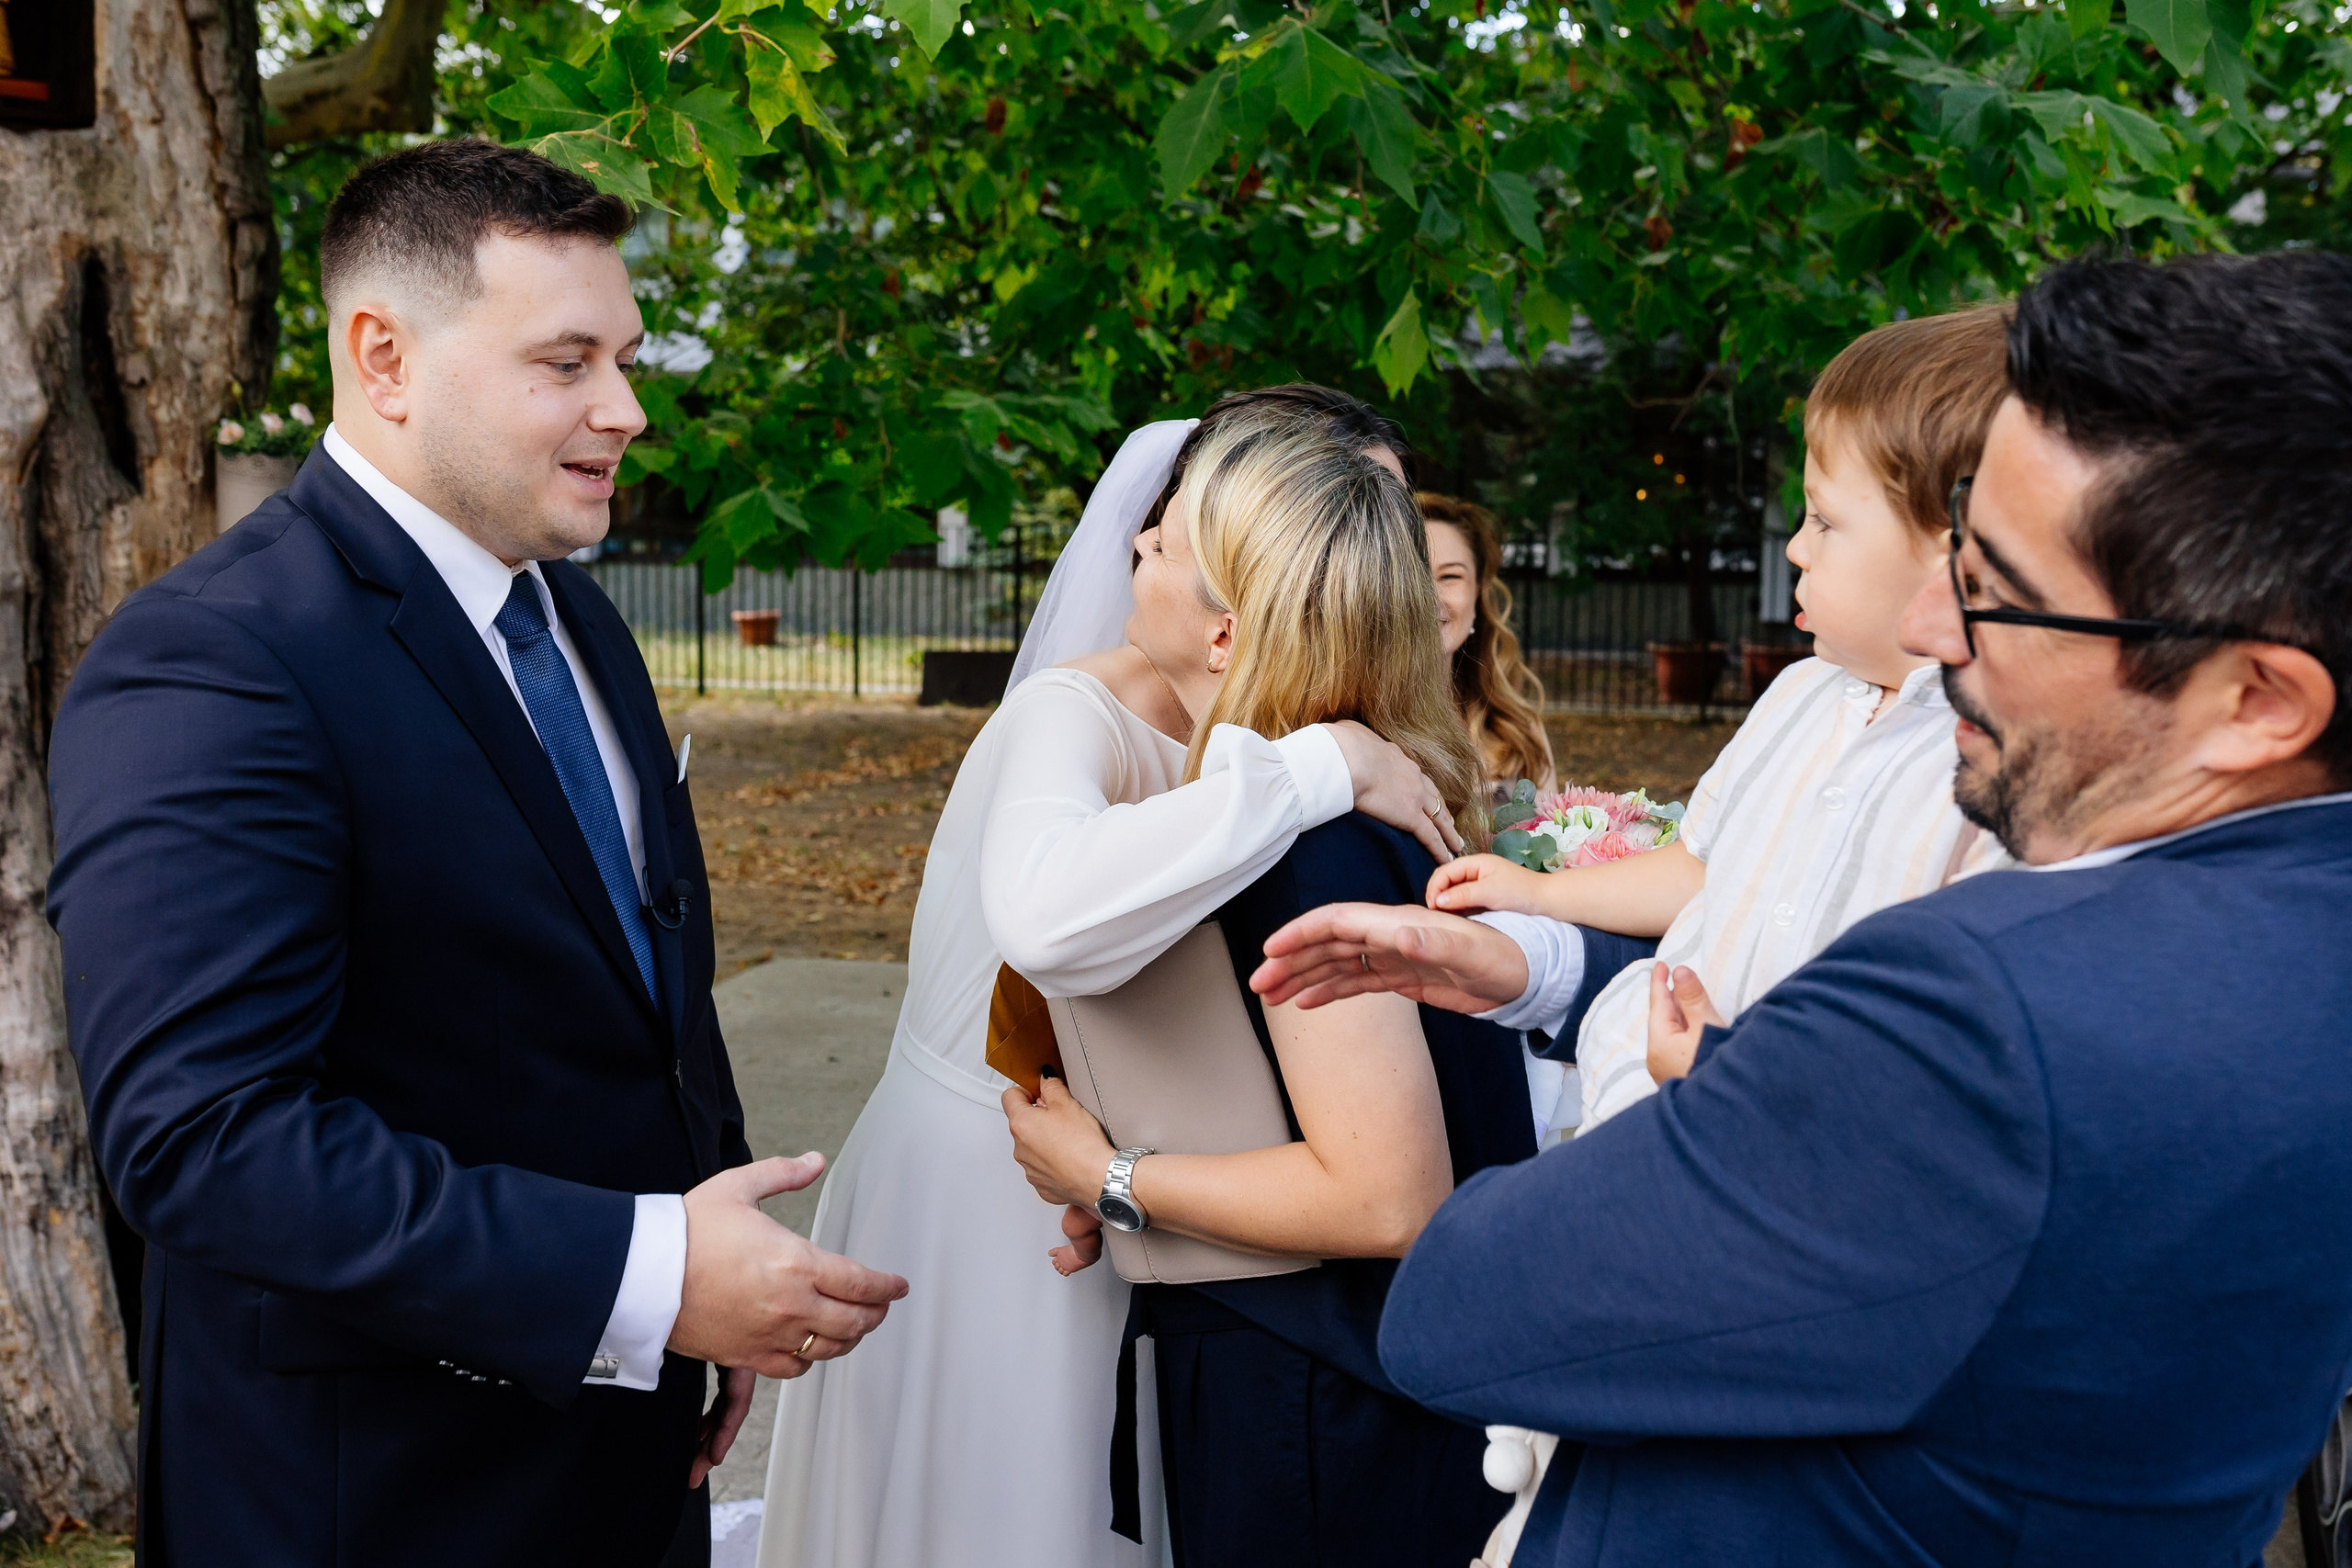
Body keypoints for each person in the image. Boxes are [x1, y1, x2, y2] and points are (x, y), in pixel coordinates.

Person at [1252, 250, 2352, 1566]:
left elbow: (1462, 1308)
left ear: (2259, 700)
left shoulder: (1981, 1019)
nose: (1938, 630)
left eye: (1995, 582)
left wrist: (1710, 1082)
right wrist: (1534, 963)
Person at [44, 140, 908, 1568]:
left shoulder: (575, 617)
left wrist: (707, 1251)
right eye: (566, 362)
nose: (626, 409)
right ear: (383, 356)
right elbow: (203, 1135)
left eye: (624, 359)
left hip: (626, 1438)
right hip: (380, 1489)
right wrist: (651, 1277)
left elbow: (641, 983)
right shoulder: (216, 660)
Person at [754, 386, 1458, 1568]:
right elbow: (1048, 916)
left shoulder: (1283, 729)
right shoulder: (1071, 711)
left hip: (1153, 1198)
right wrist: (1318, 765)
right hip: (1002, 1182)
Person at [1003, 417, 1524, 1568]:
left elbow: (1385, 1197)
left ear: (1229, 629)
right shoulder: (1292, 799)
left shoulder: (1309, 848)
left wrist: (1110, 1177)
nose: (1136, 546)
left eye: (1172, 542)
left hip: (1324, 1399)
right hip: (1319, 1377)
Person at [1428, 306, 2012, 1138]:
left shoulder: (1992, 766)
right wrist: (1541, 892)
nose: (1796, 548)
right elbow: (1700, 863)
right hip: (1640, 1114)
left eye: (1825, 520)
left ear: (1959, 549)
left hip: (1777, 1145)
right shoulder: (1799, 696)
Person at [1421, 492, 1556, 792]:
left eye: (1450, 576)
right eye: (1411, 574)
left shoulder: (1519, 731)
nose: (1428, 597)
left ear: (1477, 594)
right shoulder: (1350, 737)